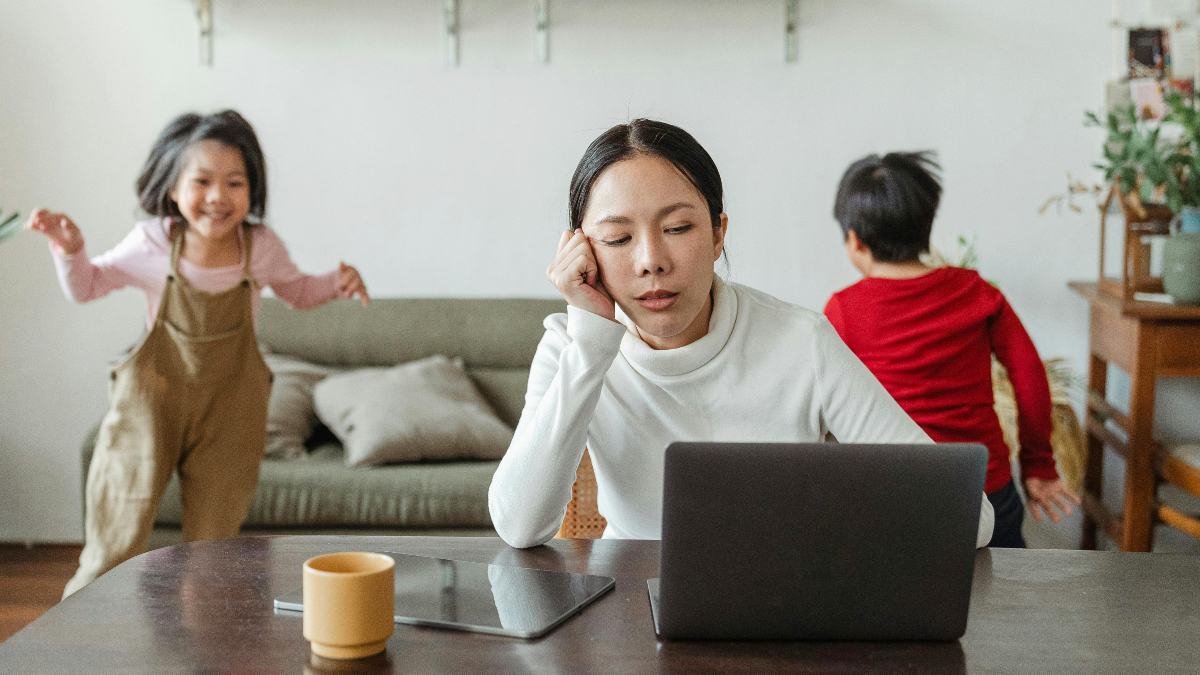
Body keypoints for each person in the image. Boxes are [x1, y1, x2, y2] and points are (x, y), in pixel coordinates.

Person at [487, 120, 994, 549]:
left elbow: (971, 519)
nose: (651, 261)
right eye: (618, 238)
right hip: (630, 608)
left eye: (679, 228)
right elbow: (520, 526)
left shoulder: (802, 342)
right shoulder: (570, 347)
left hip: (782, 604)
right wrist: (592, 345)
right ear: (582, 250)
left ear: (718, 234)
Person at [26, 110, 370, 597]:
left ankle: (202, 656)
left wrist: (336, 282)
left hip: (229, 413)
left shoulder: (261, 247)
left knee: (211, 557)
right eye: (202, 180)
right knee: (112, 546)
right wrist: (70, 250)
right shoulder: (151, 243)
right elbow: (87, 287)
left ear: (253, 190)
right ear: (172, 187)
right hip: (150, 407)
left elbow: (297, 291)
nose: (217, 197)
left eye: (235, 182)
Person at [822, 151, 1080, 548]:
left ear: (854, 240)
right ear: (926, 227)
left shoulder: (842, 309)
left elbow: (827, 403)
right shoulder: (978, 292)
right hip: (984, 490)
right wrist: (1038, 464)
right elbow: (1030, 376)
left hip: (893, 495)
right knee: (1000, 599)